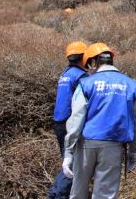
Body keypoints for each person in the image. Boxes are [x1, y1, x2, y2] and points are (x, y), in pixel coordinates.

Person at [63, 43, 136, 199]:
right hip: (113, 146)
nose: (89, 69)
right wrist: (133, 151)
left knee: (78, 191)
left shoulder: (86, 84)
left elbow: (76, 119)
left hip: (86, 143)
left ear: (94, 62)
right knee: (105, 195)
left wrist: (68, 152)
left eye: (89, 65)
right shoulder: (131, 85)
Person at [48, 42, 88, 199]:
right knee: (73, 165)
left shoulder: (65, 74)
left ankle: (55, 193)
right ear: (84, 57)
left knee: (68, 162)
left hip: (59, 123)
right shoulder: (80, 76)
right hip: (70, 124)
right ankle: (57, 195)